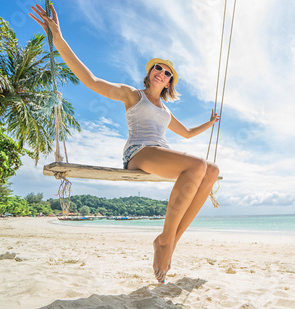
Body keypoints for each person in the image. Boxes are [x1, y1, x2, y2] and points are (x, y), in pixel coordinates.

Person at [30, 4, 220, 283]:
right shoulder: (133, 95)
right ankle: (165, 243)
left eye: (168, 73)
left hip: (161, 154)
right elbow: (91, 80)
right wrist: (58, 38)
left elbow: (189, 133)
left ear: (169, 83)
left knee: (211, 170)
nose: (162, 73)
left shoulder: (166, 111)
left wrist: (210, 122)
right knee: (198, 166)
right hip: (139, 153)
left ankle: (168, 242)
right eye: (158, 68)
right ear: (150, 72)